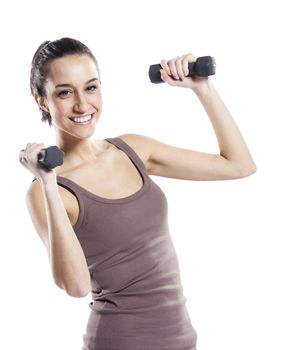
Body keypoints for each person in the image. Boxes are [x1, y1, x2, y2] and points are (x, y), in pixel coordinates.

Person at [19, 37, 257, 350]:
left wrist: (202, 88)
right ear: (41, 99)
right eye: (65, 92)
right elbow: (75, 286)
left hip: (182, 339)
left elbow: (239, 165)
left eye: (91, 87)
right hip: (121, 341)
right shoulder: (50, 189)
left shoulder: (133, 150)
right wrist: (48, 183)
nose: (82, 104)